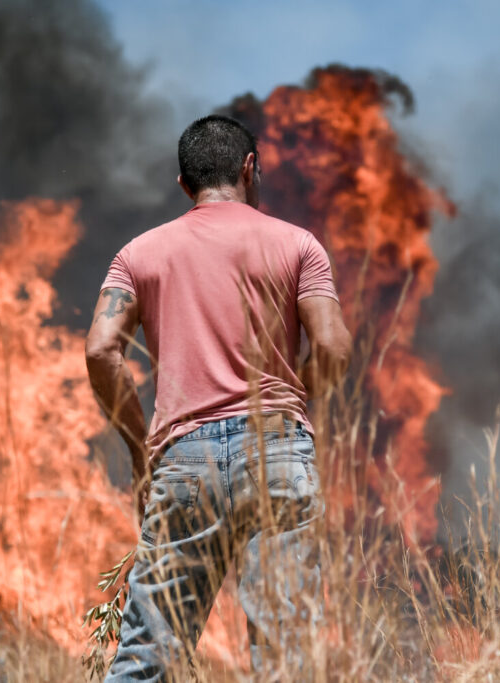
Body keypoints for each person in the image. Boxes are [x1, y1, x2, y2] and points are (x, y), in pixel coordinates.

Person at [86, 114, 352, 681]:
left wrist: (140, 449)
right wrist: (301, 411)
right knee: (287, 657)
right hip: (277, 449)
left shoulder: (138, 254)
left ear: (184, 184)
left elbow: (101, 350)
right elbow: (331, 344)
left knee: (145, 656)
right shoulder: (298, 245)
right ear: (249, 169)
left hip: (182, 462)